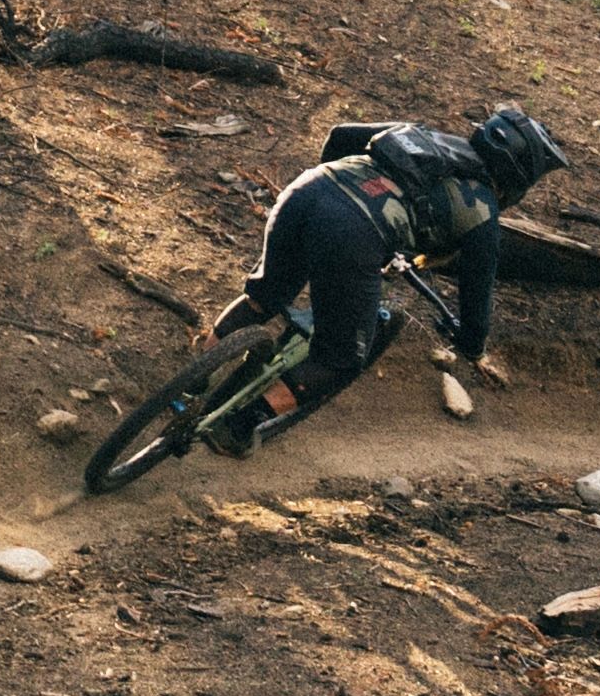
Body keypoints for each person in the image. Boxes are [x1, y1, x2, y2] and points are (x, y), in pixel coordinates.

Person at [205, 104, 569, 455]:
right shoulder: (483, 215)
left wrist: (337, 191)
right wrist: (472, 344)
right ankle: (237, 427)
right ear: (520, 179)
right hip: (353, 234)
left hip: (308, 190)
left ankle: (190, 387)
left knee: (265, 297)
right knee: (340, 360)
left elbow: (340, 135)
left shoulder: (422, 136)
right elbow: (477, 294)